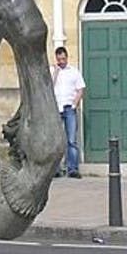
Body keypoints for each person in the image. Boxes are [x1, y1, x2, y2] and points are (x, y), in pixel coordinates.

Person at [52, 46, 86, 178]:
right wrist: (55, 73)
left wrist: (74, 104)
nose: (61, 61)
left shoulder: (74, 72)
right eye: (59, 59)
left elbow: (80, 89)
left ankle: (72, 168)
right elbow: (48, 87)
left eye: (63, 59)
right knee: (56, 141)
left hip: (69, 108)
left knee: (71, 140)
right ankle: (56, 169)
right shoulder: (53, 71)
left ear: (67, 57)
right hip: (56, 109)